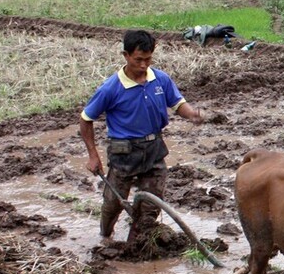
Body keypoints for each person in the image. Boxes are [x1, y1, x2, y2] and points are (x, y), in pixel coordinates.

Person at [79, 30, 204, 246]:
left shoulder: (160, 80)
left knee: (151, 205)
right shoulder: (111, 88)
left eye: (148, 59)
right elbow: (85, 118)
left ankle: (136, 244)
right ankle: (105, 238)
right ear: (126, 55)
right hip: (124, 151)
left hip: (154, 147)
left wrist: (192, 113)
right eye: (138, 60)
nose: (144, 65)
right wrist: (93, 155)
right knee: (113, 203)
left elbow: (177, 104)